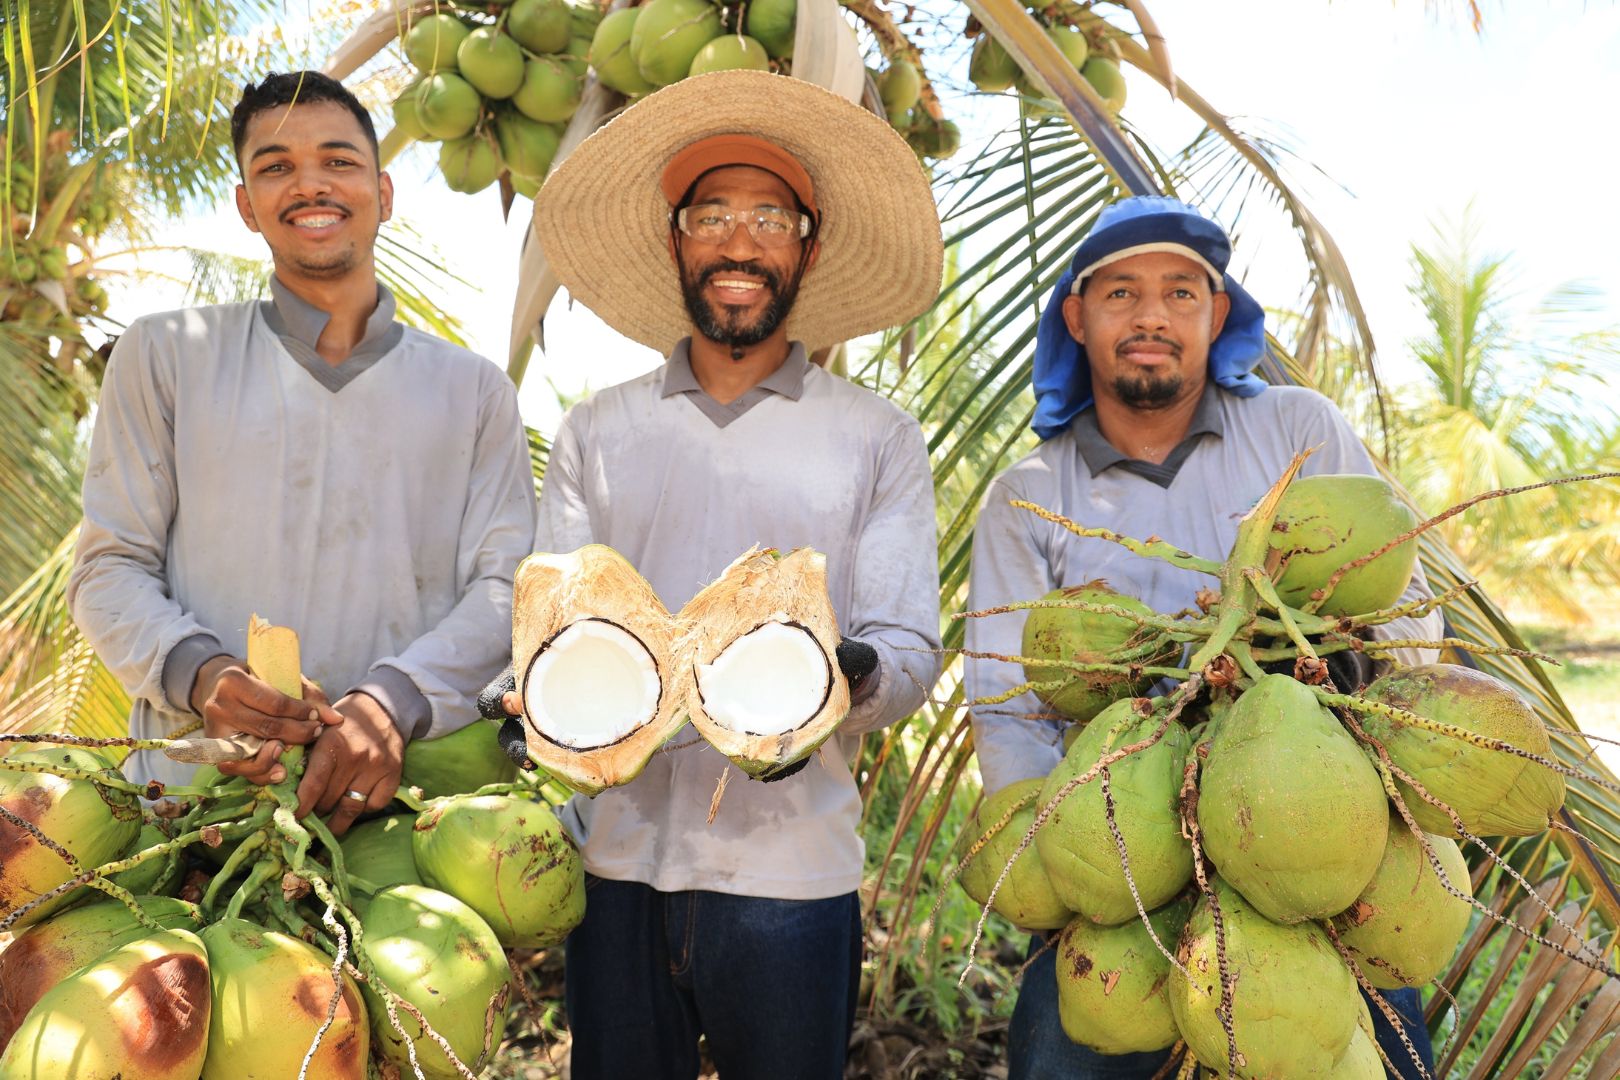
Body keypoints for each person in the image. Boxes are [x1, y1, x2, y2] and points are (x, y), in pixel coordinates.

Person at [512, 70, 944, 1079]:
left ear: (808, 244)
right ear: (676, 241)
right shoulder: (599, 431)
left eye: (768, 217)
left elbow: (912, 649)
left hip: (792, 881)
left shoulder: (875, 437)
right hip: (615, 866)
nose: (739, 242)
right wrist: (532, 704)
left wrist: (837, 681)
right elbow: (551, 632)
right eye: (712, 215)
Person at [964, 196, 1444, 1079]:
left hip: (1309, 861)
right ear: (1077, 317)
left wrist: (1320, 659)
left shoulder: (1297, 432)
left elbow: (1410, 614)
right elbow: (1009, 712)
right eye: (1120, 293)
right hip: (1121, 881)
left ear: (1216, 314)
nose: (1151, 315)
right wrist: (1077, 877)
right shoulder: (1029, 493)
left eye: (1181, 293)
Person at [68, 71, 535, 835]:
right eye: (276, 166)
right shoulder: (164, 355)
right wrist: (202, 674)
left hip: (403, 828)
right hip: (187, 815)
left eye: (339, 161)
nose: (310, 184)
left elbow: (506, 591)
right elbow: (107, 567)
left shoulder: (474, 391)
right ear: (247, 205)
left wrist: (394, 700)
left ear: (384, 193)